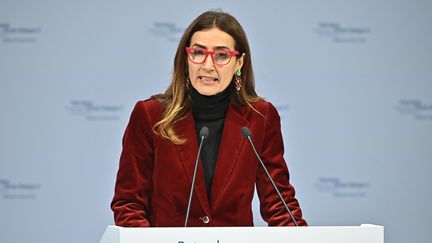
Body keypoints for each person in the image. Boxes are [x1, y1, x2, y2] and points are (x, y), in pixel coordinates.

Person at [111, 10, 307, 227]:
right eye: (198, 53)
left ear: (239, 63)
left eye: (222, 55)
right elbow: (129, 204)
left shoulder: (260, 118)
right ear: (187, 59)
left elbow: (279, 204)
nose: (207, 65)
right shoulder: (151, 116)